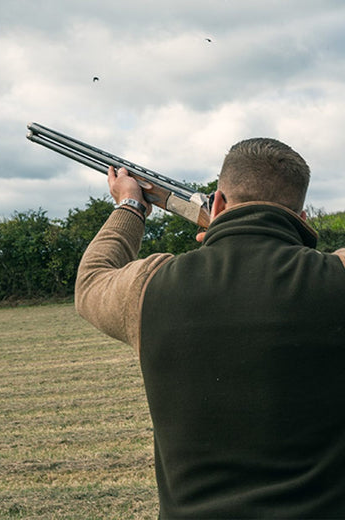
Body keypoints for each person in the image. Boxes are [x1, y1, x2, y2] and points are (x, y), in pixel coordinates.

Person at [75, 137, 345, 519]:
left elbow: (91, 281)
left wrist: (131, 205)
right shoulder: (337, 278)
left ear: (217, 202)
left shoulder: (150, 287)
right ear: (302, 219)